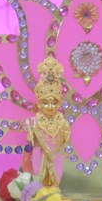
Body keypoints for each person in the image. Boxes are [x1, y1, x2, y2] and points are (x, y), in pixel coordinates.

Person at [24, 56, 70, 188]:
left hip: (56, 157)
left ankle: (54, 191)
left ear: (59, 103)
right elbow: (30, 143)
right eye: (45, 102)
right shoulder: (34, 122)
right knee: (39, 182)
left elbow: (65, 140)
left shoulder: (62, 122)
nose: (50, 106)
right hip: (39, 156)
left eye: (53, 102)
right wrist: (31, 138)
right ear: (39, 103)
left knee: (55, 183)